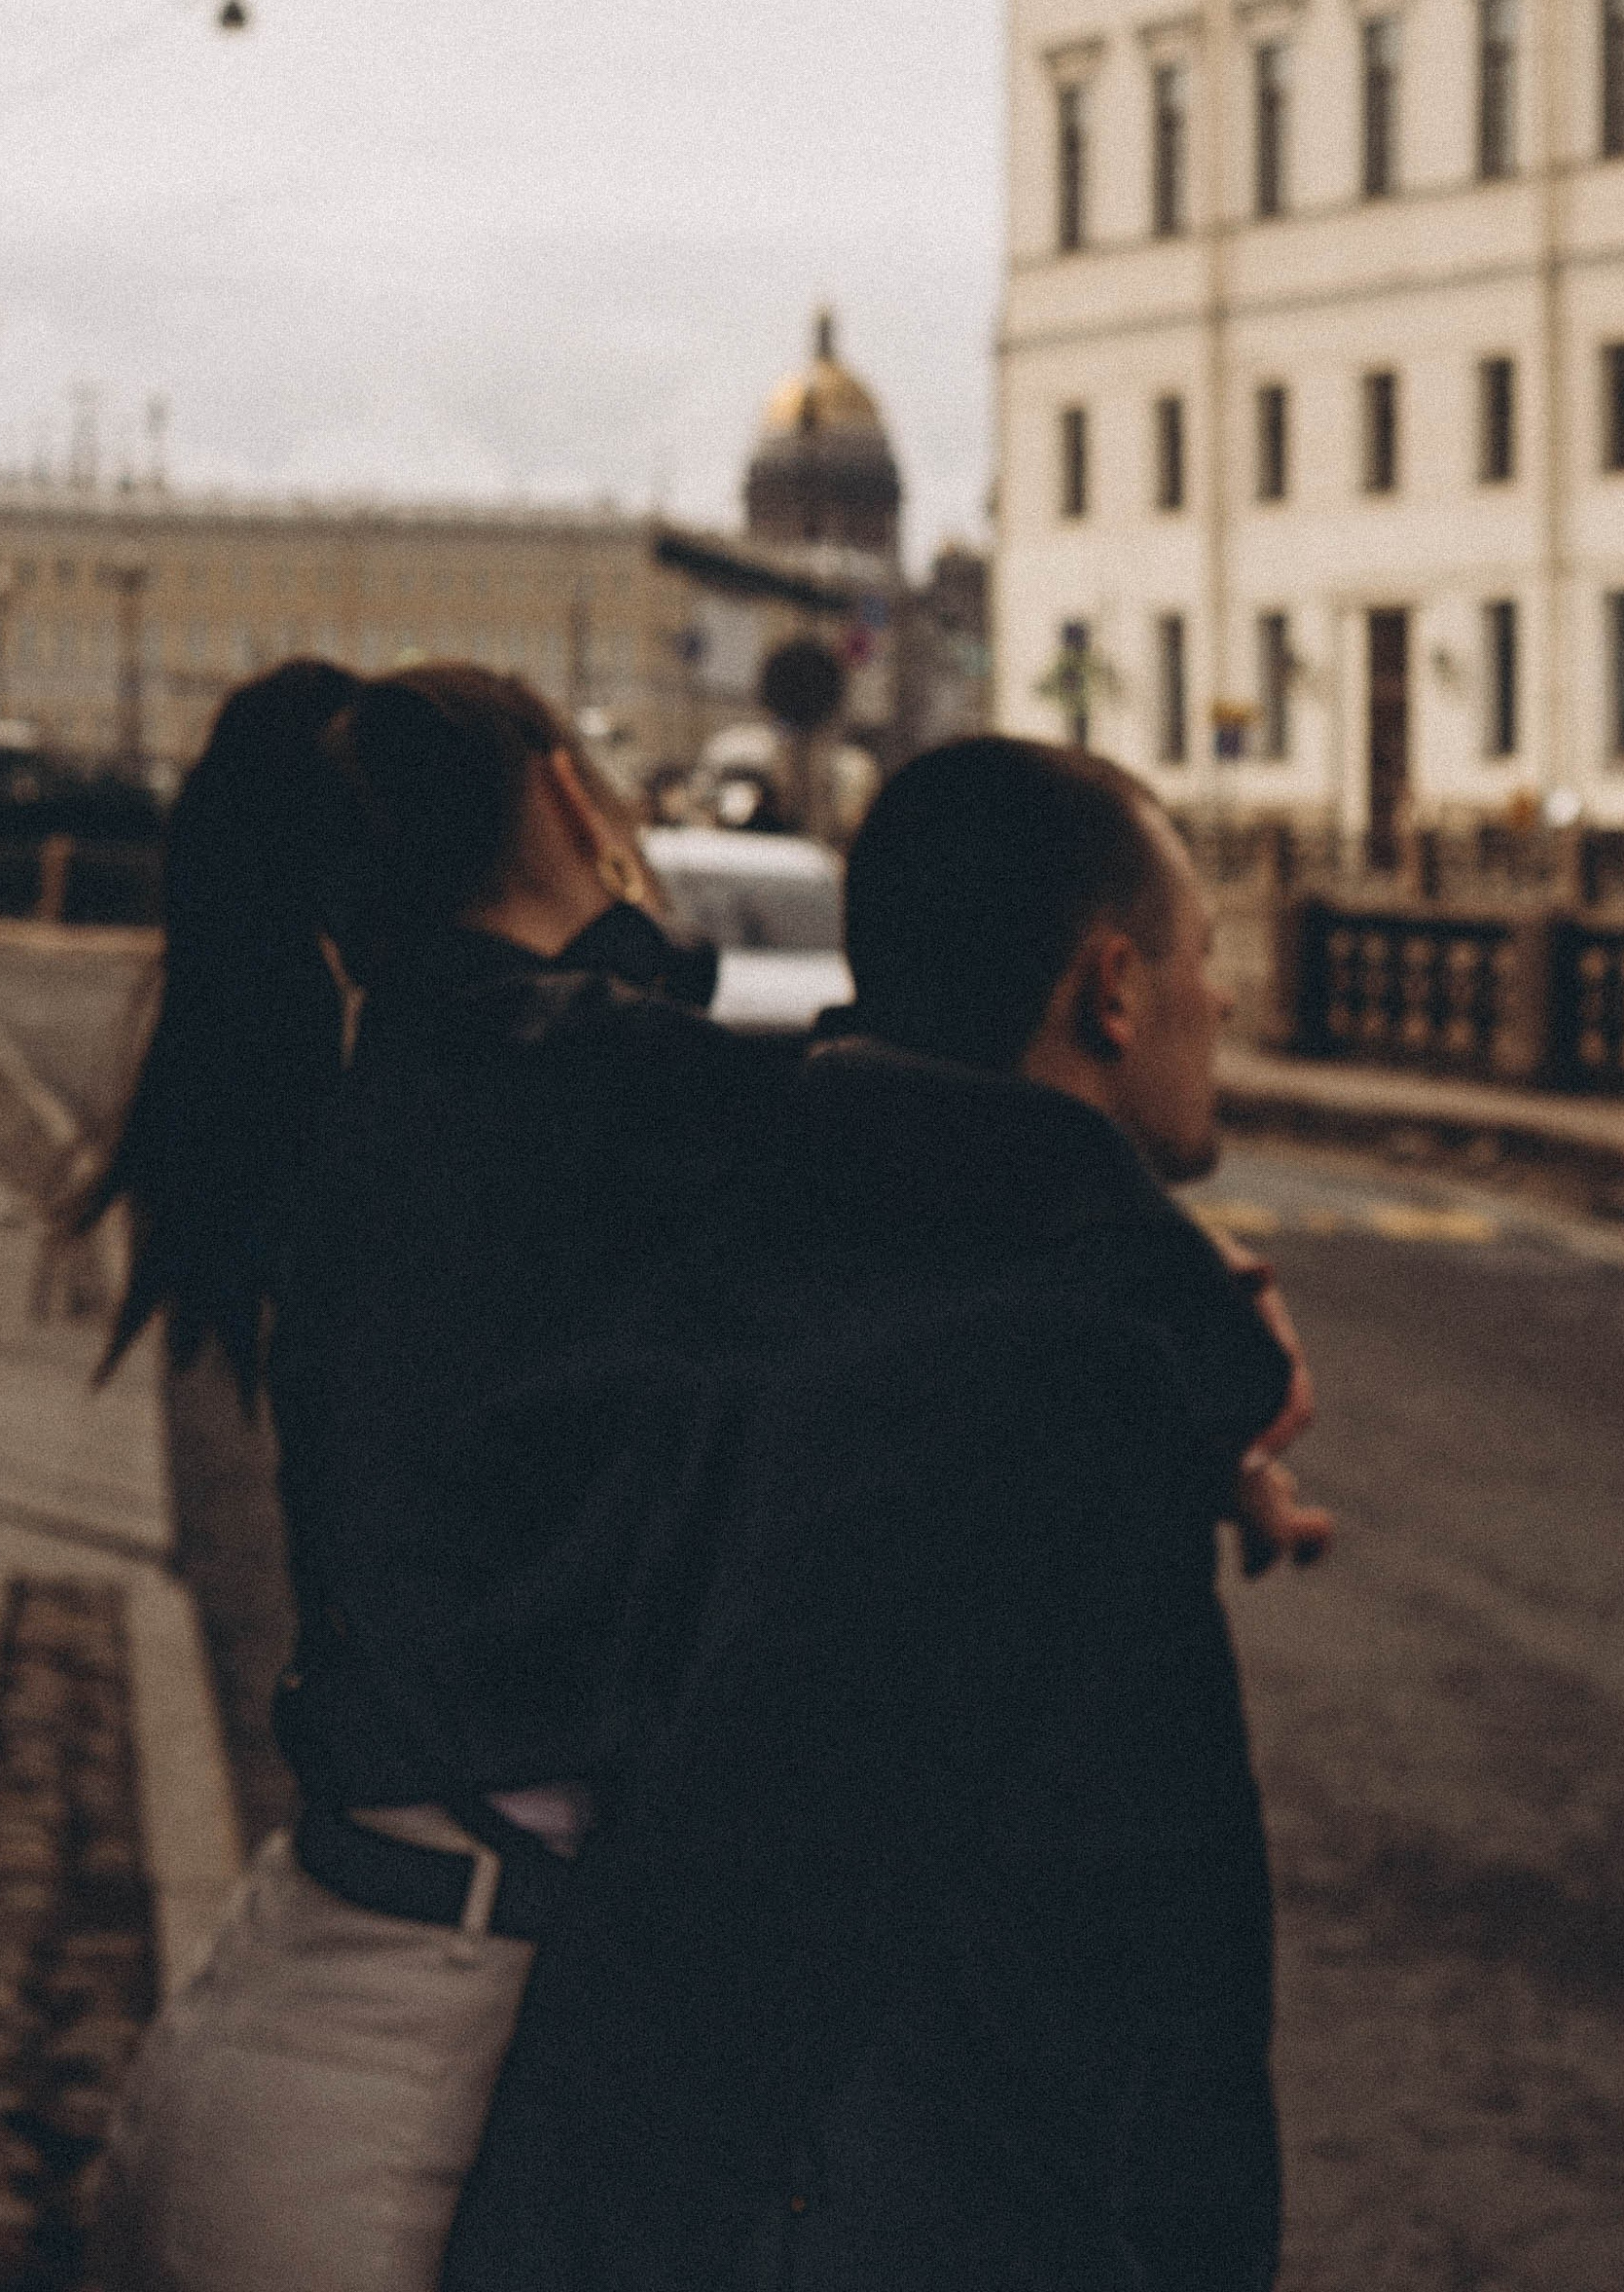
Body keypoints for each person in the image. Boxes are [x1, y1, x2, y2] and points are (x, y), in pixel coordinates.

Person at [441, 736, 1324, 2292]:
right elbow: (1124, 1998)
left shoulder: (744, 1251)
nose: (1225, 998)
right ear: (1110, 988)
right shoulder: (1064, 1386)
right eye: (1199, 957)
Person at [94, 661, 801, 2292]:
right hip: (387, 2118)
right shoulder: (520, 1076)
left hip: (339, 2033)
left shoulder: (443, 1107)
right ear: (566, 794)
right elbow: (912, 1151)